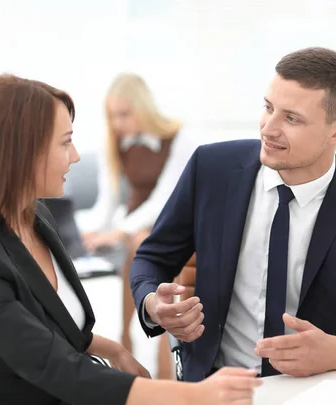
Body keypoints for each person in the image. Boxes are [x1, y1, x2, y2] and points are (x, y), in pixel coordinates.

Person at [0, 74, 261, 404]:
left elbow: (55, 326)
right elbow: (54, 366)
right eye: (65, 142)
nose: (75, 156)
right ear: (21, 150)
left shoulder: (34, 218)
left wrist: (114, 349)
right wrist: (193, 396)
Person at [130, 47, 336, 382]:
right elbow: (151, 257)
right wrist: (153, 304)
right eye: (268, 108)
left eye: (291, 118)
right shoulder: (211, 168)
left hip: (315, 389)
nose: (268, 129)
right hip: (212, 382)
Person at [81, 74, 198, 375]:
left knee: (140, 244)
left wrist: (122, 230)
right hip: (137, 224)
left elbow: (165, 196)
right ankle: (129, 334)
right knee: (139, 245)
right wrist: (95, 228)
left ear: (143, 108)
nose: (117, 123)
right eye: (112, 115)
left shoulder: (179, 138)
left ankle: (145, 342)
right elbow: (109, 196)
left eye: (124, 114)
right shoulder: (116, 141)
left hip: (172, 222)